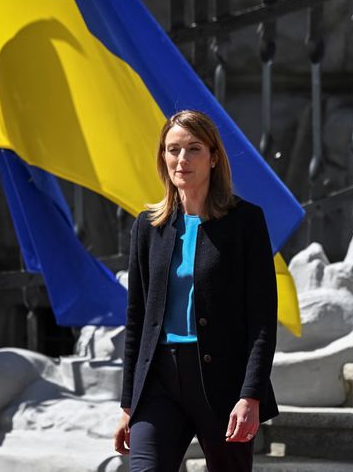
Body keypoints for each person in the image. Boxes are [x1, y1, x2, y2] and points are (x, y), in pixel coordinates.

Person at [113, 110, 278, 472]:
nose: (181, 160)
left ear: (214, 157)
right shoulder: (147, 227)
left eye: (193, 149)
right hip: (159, 381)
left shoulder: (245, 222)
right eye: (172, 150)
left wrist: (250, 395)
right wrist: (129, 402)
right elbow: (137, 318)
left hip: (222, 383)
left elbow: (262, 320)